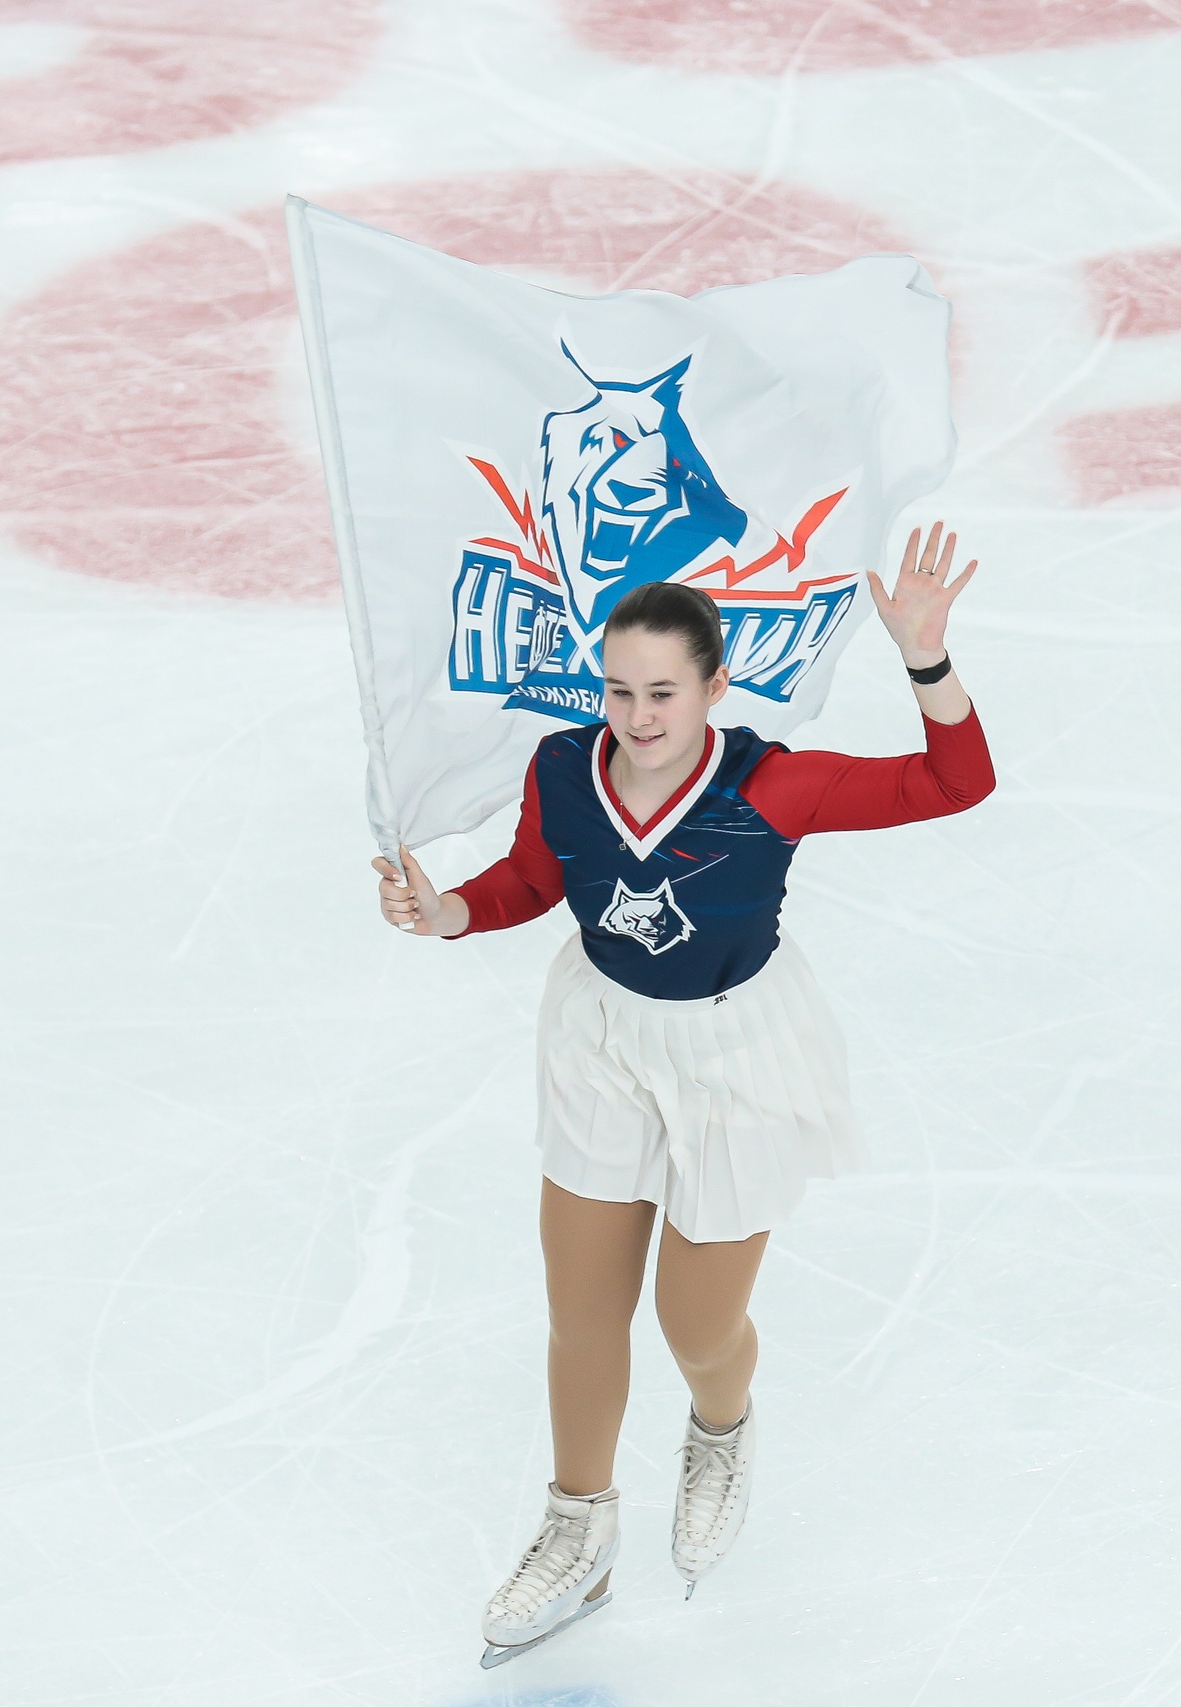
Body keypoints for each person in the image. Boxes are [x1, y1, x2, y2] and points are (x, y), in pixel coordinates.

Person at [371, 522, 995, 1668]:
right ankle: (579, 1528)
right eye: (619, 691)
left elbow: (957, 783)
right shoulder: (564, 769)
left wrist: (924, 656)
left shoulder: (774, 784)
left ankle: (720, 1428)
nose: (637, 715)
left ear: (714, 686)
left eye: (662, 692)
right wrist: (448, 909)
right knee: (582, 1312)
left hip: (735, 1059)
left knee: (695, 1327)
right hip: (600, 1043)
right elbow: (531, 882)